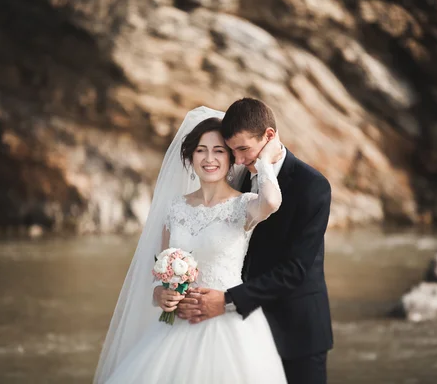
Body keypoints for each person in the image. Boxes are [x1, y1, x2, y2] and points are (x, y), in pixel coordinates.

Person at [93, 106, 287, 383]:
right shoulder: (175, 207)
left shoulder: (244, 205)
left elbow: (271, 202)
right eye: (201, 150)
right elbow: (158, 271)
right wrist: (161, 294)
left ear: (232, 157)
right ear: (190, 156)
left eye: (219, 150)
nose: (210, 159)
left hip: (228, 325)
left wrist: (265, 160)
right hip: (177, 325)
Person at [177, 98, 333, 384]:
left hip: (297, 329)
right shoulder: (238, 177)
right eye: (232, 150)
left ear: (269, 136)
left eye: (244, 149)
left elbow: (295, 269)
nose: (237, 160)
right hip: (241, 328)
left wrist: (227, 300)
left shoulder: (312, 186)